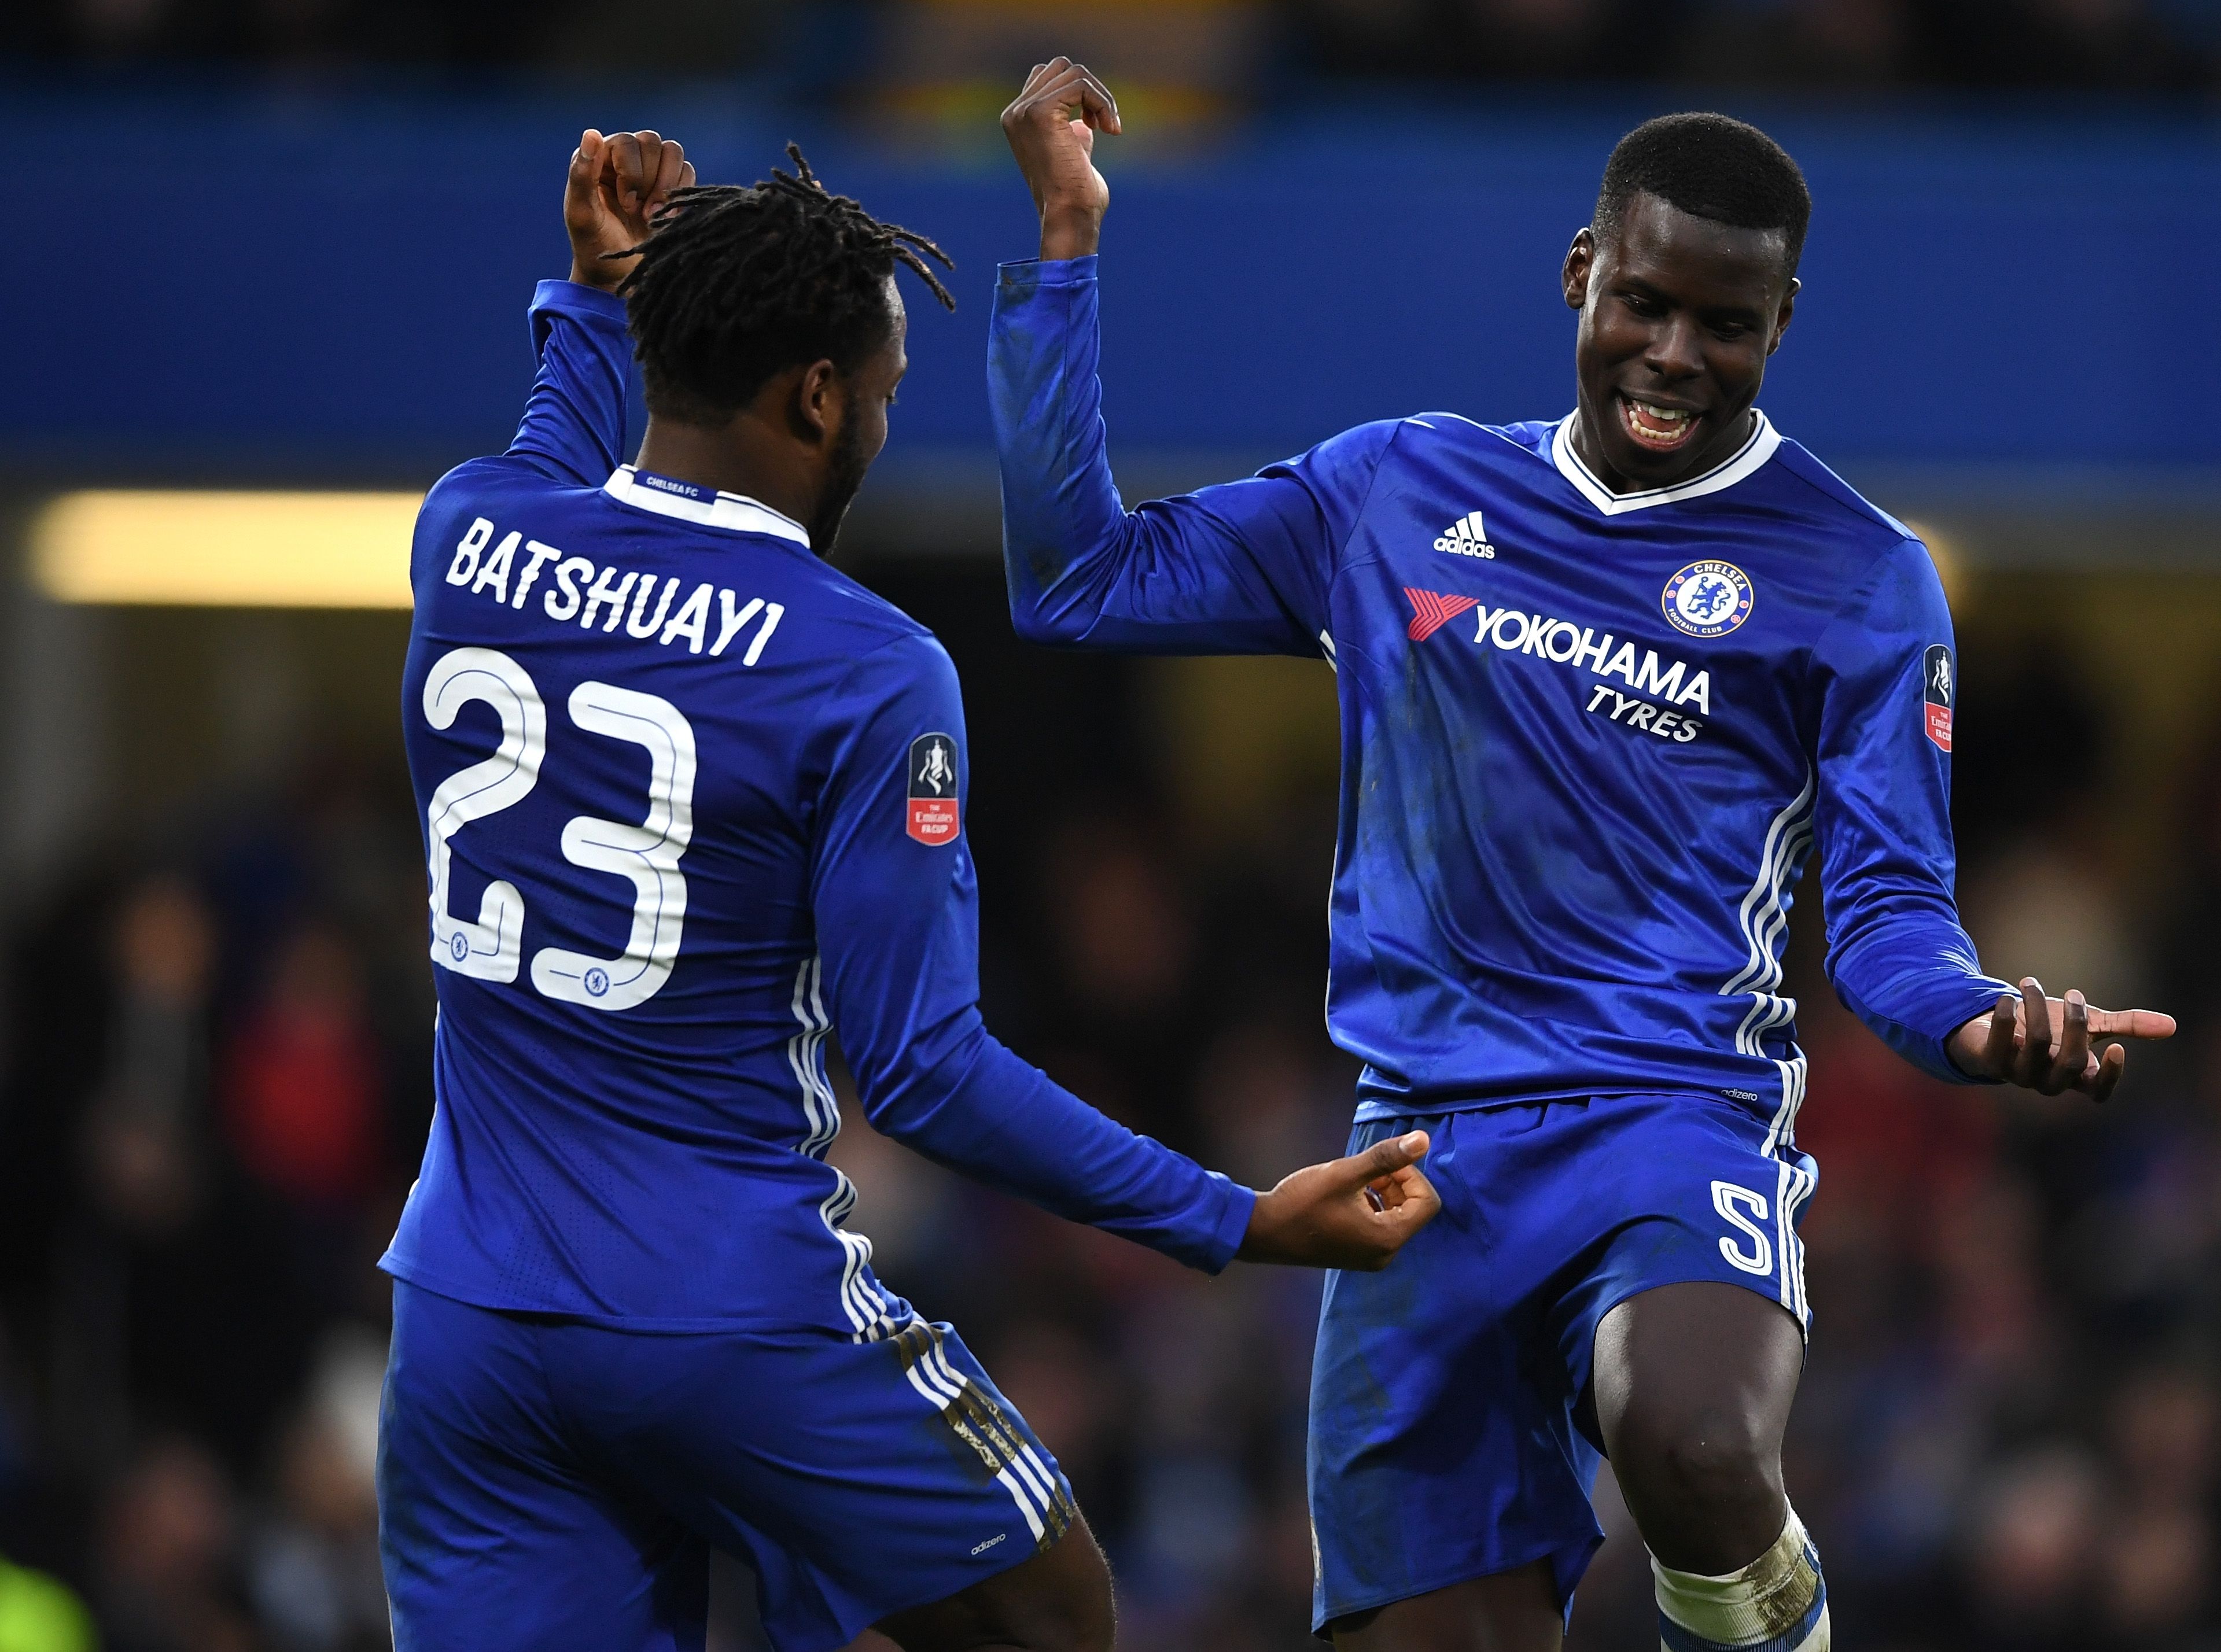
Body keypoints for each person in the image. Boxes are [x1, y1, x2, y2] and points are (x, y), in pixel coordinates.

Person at [990, 61, 2177, 1652]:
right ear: (1580, 274)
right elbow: (1082, 578)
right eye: (1645, 300)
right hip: (1418, 1156)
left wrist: (1975, 1021)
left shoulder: (1860, 577)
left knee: (1693, 1442)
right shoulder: (1398, 491)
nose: (1677, 353)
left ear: (1781, 324)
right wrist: (1065, 253)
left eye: (1729, 323)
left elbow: (1889, 911)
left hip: (1665, 1114)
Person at [377, 128, 1441, 1652]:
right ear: (819, 395)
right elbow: (925, 1072)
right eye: (879, 392)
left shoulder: (471, 530)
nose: (878, 422)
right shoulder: (861, 663)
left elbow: (565, 435)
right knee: (1053, 1607)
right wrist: (1239, 1217)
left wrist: (597, 289)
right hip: (732, 1316)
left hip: (470, 1315)